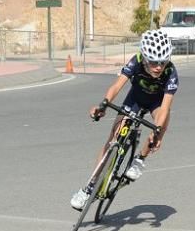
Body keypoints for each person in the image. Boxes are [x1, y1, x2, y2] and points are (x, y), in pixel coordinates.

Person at [70, 29, 176, 211]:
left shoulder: (171, 73)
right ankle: (88, 188)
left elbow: (165, 107)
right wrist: (103, 105)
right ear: (144, 57)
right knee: (113, 136)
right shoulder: (136, 61)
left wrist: (157, 130)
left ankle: (140, 158)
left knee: (164, 120)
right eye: (153, 62)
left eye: (162, 62)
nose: (158, 67)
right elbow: (117, 86)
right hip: (134, 99)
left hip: (155, 103)